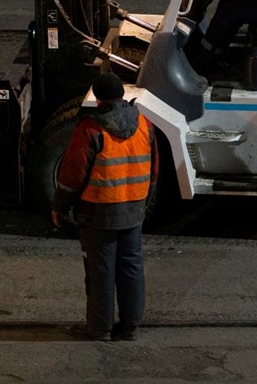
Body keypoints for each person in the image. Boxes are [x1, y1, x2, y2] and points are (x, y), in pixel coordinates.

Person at [51, 72, 160, 341]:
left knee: (101, 272)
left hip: (98, 214)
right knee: (131, 269)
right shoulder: (145, 125)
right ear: (122, 95)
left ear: (98, 99)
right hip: (133, 211)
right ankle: (131, 326)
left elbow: (72, 176)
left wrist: (60, 208)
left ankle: (100, 329)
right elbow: (154, 171)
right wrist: (142, 202)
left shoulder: (91, 129)